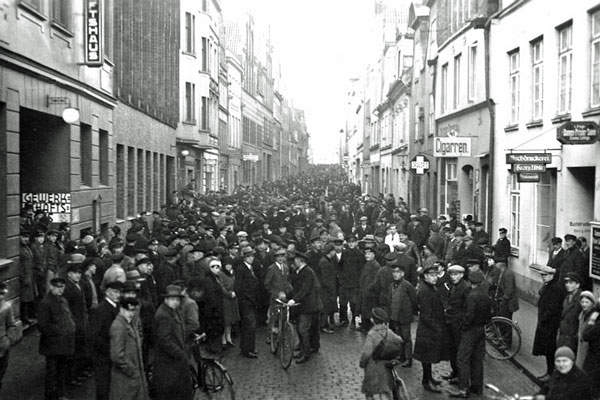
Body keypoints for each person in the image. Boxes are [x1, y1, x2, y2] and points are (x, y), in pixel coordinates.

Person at [449, 270, 492, 398]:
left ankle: (463, 389)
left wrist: (463, 326)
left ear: (470, 281)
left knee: (462, 359)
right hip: (481, 330)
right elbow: (490, 314)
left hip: (470, 331)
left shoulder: (472, 296)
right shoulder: (485, 295)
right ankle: (477, 387)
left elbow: (469, 316)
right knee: (477, 359)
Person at [413, 264, 450, 393]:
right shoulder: (425, 291)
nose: (435, 278)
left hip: (429, 328)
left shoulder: (429, 287)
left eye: (435, 275)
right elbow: (426, 315)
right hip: (427, 329)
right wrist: (437, 328)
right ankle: (426, 381)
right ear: (425, 276)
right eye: (432, 276)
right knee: (427, 357)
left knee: (428, 356)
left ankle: (429, 378)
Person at [37, 277, 76, 400]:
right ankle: (50, 395)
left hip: (64, 342)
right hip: (52, 345)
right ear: (52, 287)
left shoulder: (63, 300)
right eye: (58, 287)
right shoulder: (45, 303)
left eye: (62, 287)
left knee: (61, 370)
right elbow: (42, 325)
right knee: (52, 372)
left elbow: (68, 316)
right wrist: (59, 332)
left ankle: (60, 394)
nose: (60, 289)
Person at [152, 285, 192, 400]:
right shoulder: (164, 315)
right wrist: (180, 353)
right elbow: (164, 340)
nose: (175, 302)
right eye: (172, 299)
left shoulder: (173, 311)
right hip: (169, 364)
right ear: (166, 299)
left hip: (174, 362)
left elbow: (179, 329)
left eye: (177, 299)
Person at [359, 307, 404, 400]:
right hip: (385, 368)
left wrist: (362, 364)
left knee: (369, 392)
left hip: (372, 368)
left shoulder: (372, 334)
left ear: (373, 320)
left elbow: (367, 353)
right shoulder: (389, 332)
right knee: (384, 392)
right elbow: (400, 340)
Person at [109, 297, 149, 400]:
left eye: (133, 310)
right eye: (128, 310)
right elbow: (117, 356)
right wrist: (132, 371)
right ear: (121, 309)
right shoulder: (118, 326)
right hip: (125, 377)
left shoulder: (131, 323)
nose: (130, 313)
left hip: (132, 377)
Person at [90, 281, 123, 400]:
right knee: (104, 387)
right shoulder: (100, 310)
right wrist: (110, 349)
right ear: (107, 293)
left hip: (114, 353)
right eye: (115, 292)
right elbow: (95, 336)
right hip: (103, 356)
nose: (118, 294)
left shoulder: (118, 307)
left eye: (120, 292)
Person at [287, 251, 322, 364]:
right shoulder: (302, 271)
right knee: (303, 329)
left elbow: (304, 289)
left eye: (295, 259)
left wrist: (294, 300)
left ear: (299, 260)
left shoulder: (306, 272)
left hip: (309, 306)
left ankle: (306, 353)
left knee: (303, 329)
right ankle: (304, 350)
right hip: (306, 305)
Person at [532, 266, 565, 382]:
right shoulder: (549, 286)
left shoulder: (556, 288)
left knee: (550, 350)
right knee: (547, 349)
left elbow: (553, 307)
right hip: (545, 322)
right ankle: (549, 372)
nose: (543, 277)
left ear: (552, 275)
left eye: (545, 275)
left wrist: (543, 318)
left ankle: (551, 374)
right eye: (542, 275)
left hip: (550, 324)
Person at [384, 264, 416, 367]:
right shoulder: (391, 285)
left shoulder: (407, 286)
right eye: (394, 272)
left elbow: (414, 300)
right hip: (394, 316)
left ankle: (408, 358)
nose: (395, 274)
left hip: (404, 316)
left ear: (402, 274)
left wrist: (411, 312)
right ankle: (400, 356)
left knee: (406, 338)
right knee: (398, 337)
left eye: (398, 272)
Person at [442, 264, 469, 383]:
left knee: (459, 350)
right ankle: (455, 372)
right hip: (451, 321)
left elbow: (467, 307)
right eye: (452, 274)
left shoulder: (465, 287)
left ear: (462, 275)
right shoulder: (453, 286)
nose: (453, 277)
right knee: (452, 349)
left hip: (458, 323)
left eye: (456, 274)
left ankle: (460, 376)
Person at [234, 246, 260, 358]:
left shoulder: (250, 268)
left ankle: (248, 347)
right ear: (244, 258)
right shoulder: (241, 269)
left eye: (252, 256)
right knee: (250, 325)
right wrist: (247, 299)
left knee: (248, 326)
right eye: (248, 256)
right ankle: (247, 349)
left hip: (250, 301)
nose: (251, 258)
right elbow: (238, 287)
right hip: (246, 302)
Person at [557, 272, 582, 352]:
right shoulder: (567, 297)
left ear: (577, 285)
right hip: (563, 336)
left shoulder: (581, 300)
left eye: (571, 283)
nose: (567, 285)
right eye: (566, 282)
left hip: (572, 338)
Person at [357, 247, 381, 332]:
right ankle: (364, 325)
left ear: (374, 255)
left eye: (369, 254)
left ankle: (367, 326)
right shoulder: (367, 264)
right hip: (364, 290)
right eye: (366, 254)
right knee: (364, 309)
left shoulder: (375, 265)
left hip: (370, 292)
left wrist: (369, 288)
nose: (367, 256)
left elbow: (376, 280)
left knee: (368, 310)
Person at [219, 257, 240, 348]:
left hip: (233, 298)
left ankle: (229, 337)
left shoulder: (234, 273)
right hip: (226, 299)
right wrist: (228, 294)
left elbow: (237, 284)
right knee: (226, 320)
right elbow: (221, 286)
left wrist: (235, 292)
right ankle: (223, 339)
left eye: (229, 264)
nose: (228, 266)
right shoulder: (221, 274)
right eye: (226, 264)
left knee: (231, 320)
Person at [0, 283, 16, 392]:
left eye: (2, 294)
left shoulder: (6, 307)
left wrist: (8, 340)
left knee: (2, 370)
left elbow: (11, 324)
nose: (1, 296)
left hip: (2, 344)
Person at [576, 291, 597, 369]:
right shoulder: (582, 314)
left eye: (587, 302)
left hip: (588, 349)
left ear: (592, 303)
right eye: (582, 302)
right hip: (580, 347)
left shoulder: (594, 317)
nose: (584, 304)